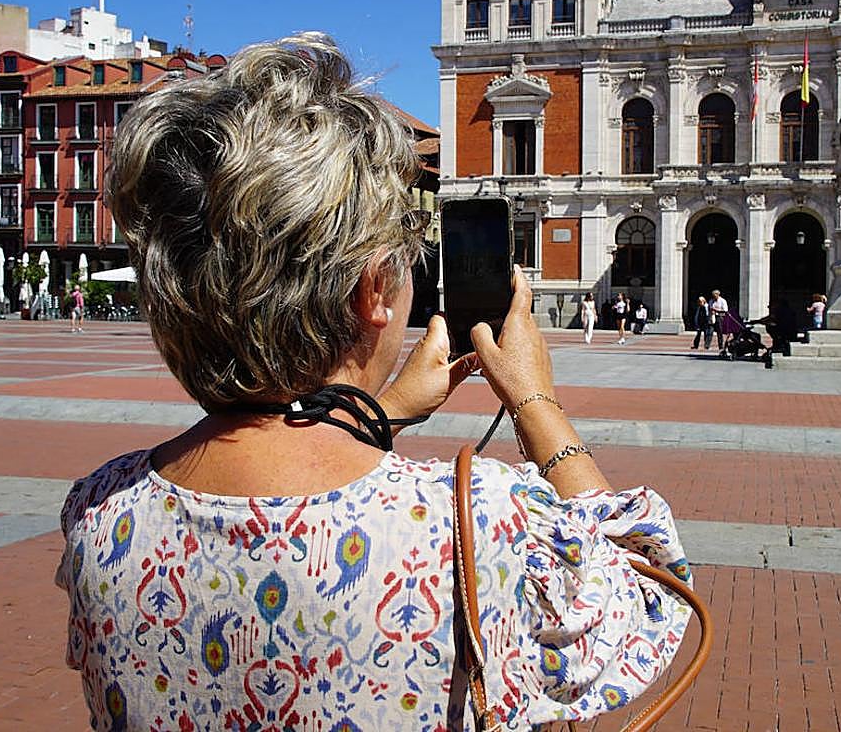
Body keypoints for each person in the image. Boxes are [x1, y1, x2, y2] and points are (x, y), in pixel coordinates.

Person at [57, 35, 691, 730]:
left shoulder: (98, 512)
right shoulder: (478, 520)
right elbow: (651, 598)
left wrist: (377, 412)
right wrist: (535, 401)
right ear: (372, 290)